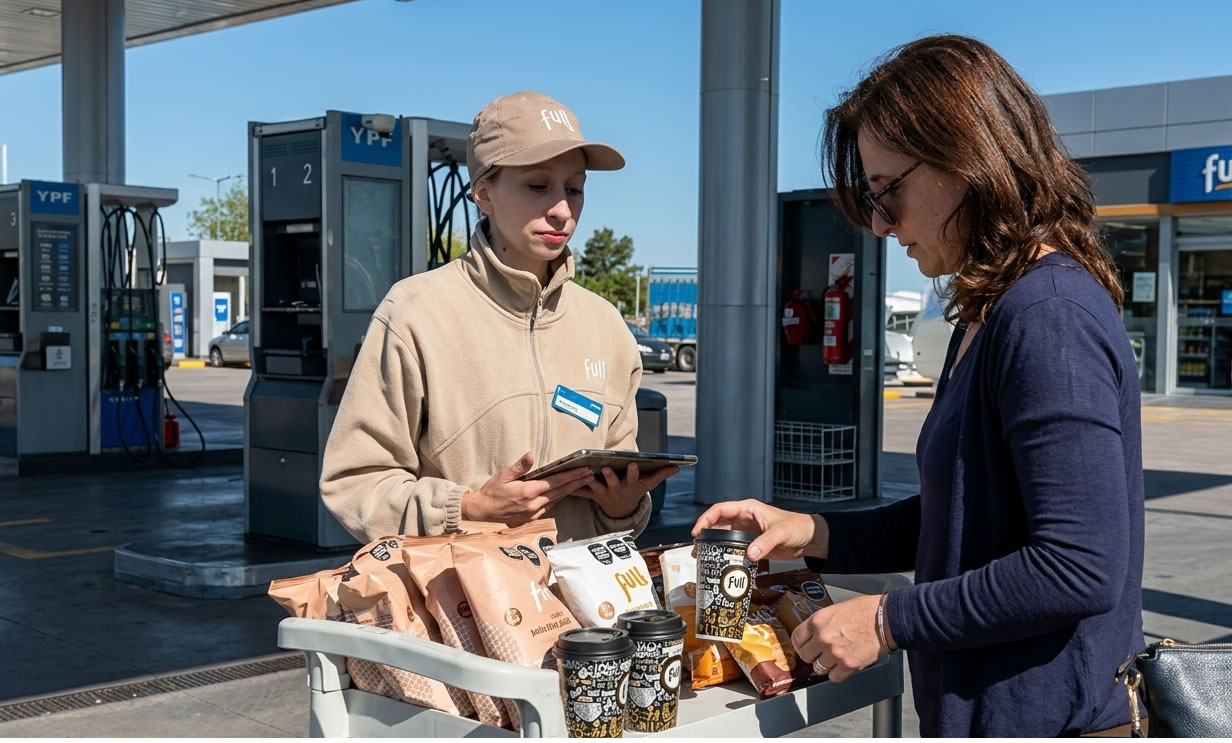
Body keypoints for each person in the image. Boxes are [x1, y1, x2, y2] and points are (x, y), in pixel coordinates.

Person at [694, 35, 1145, 737]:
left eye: (888, 191)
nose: (880, 223)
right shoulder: (991, 312)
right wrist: (810, 531)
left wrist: (887, 619)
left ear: (966, 158)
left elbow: (1079, 564)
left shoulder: (1047, 315)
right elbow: (959, 516)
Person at [321, 91, 677, 543]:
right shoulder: (415, 312)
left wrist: (622, 506)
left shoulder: (605, 326)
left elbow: (618, 507)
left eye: (574, 189)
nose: (562, 210)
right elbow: (354, 484)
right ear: (484, 193)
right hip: (459, 587)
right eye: (538, 186)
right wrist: (467, 509)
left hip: (577, 589)